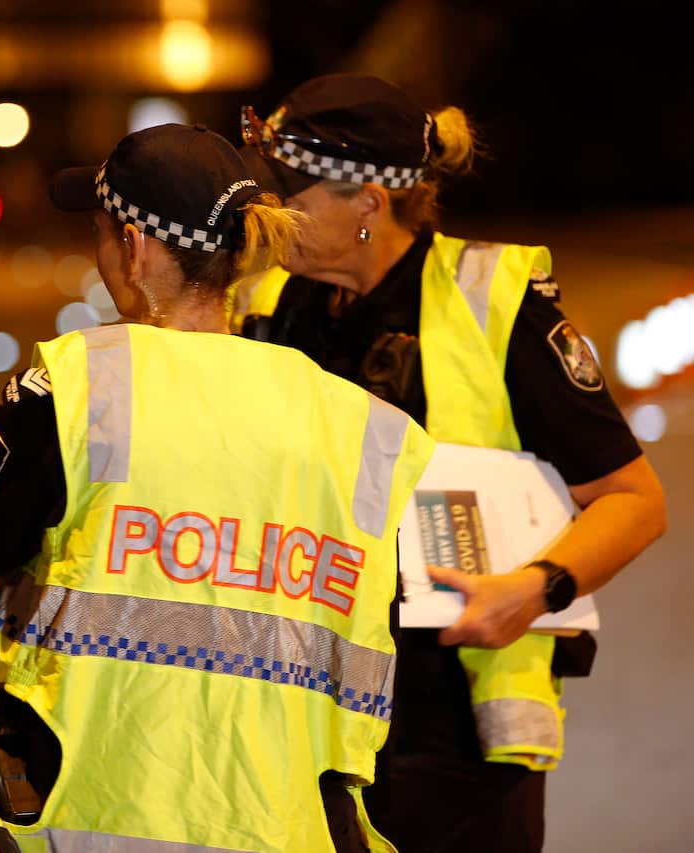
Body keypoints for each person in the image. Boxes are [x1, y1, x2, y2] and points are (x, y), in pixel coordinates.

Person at [0, 122, 436, 852]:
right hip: (288, 826)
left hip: (105, 819)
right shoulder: (352, 422)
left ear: (134, 248)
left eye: (102, 232)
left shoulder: (81, 387)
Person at [234, 73, 667, 853]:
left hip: (449, 729)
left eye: (291, 196)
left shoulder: (493, 299)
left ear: (368, 203)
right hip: (306, 713)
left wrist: (533, 591)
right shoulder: (273, 305)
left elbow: (635, 500)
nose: (270, 215)